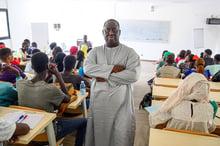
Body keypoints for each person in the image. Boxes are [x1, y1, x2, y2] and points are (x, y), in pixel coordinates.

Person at [84, 19, 140, 146]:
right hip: (99, 106)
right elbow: (88, 69)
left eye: (114, 30)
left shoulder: (130, 53)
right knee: (99, 136)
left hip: (121, 106)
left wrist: (104, 76)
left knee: (120, 135)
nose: (110, 33)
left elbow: (133, 75)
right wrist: (113, 69)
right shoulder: (95, 52)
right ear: (102, 32)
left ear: (119, 32)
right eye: (107, 30)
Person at [16, 52, 87, 146]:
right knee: (85, 121)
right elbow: (67, 98)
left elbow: (38, 86)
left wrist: (49, 76)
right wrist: (58, 75)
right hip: (47, 133)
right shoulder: (51, 89)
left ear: (32, 67)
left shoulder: (20, 84)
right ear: (47, 66)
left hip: (28, 130)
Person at [149, 73, 216, 134]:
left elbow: (156, 120)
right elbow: (211, 128)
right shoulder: (209, 108)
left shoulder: (175, 103)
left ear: (186, 86)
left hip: (172, 140)